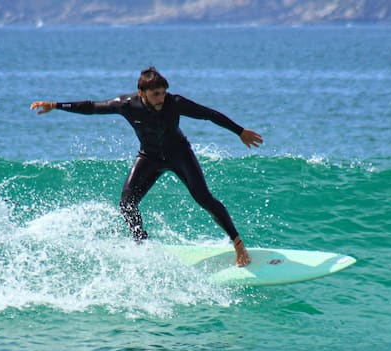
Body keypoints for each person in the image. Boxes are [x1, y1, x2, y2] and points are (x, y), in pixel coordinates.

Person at [31, 67, 263, 267]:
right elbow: (92, 106)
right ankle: (141, 244)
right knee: (126, 205)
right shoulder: (126, 105)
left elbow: (208, 114)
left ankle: (238, 245)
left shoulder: (175, 103)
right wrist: (56, 105)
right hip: (149, 157)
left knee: (204, 198)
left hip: (179, 154)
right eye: (155, 94)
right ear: (142, 93)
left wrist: (239, 131)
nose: (161, 98)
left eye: (163, 93)